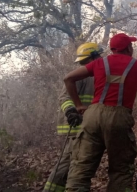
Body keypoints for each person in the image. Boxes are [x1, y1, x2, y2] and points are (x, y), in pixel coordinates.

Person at [63, 33, 137, 192]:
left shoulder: (99, 63)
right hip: (119, 118)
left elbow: (68, 79)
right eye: (131, 45)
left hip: (93, 116)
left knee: (81, 168)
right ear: (128, 48)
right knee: (120, 170)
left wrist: (78, 105)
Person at [44, 43, 103, 192]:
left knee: (72, 165)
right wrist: (72, 111)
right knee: (70, 166)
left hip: (86, 127)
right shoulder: (80, 75)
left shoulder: (99, 74)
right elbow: (64, 97)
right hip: (76, 127)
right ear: (95, 56)